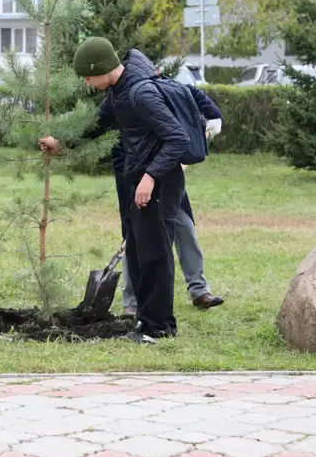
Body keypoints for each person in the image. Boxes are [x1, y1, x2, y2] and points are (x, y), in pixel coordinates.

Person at [39, 37, 189, 343]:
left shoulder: (141, 93)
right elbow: (97, 124)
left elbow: (177, 139)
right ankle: (144, 322)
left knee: (155, 254)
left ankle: (159, 328)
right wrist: (62, 142)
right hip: (140, 179)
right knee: (137, 250)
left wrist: (150, 178)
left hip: (158, 182)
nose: (86, 82)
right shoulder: (118, 92)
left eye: (88, 75)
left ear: (102, 68)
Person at [118, 86, 225, 315]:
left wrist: (199, 139)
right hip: (139, 174)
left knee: (184, 227)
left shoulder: (183, 91)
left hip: (170, 176)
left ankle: (199, 291)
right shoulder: (130, 98)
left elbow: (214, 119)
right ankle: (132, 301)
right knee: (133, 237)